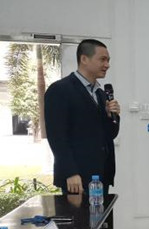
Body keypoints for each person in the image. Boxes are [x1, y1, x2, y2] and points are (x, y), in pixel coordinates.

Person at [45, 39, 121, 195]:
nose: (107, 65)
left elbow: (109, 135)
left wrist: (111, 116)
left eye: (108, 60)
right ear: (84, 59)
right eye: (102, 59)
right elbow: (57, 137)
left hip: (101, 175)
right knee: (79, 212)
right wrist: (70, 172)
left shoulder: (101, 94)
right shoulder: (60, 90)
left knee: (102, 212)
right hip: (76, 178)